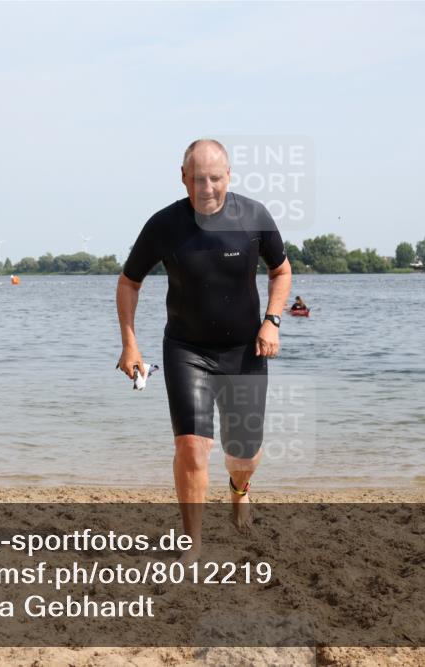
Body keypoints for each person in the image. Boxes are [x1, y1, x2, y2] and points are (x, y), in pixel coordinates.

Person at [116, 139, 292, 561]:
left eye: (215, 178)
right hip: (186, 349)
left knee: (243, 454)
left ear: (229, 176)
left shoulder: (254, 217)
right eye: (198, 179)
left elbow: (280, 271)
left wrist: (272, 320)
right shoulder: (164, 225)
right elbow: (129, 282)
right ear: (183, 178)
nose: (208, 187)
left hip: (245, 351)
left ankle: (239, 490)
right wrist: (130, 343)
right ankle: (192, 541)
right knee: (192, 446)